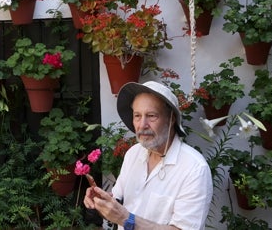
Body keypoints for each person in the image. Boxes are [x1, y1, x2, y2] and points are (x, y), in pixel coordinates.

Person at [84, 81, 212, 230]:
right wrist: (102, 203)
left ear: (171, 119)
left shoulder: (194, 168)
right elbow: (118, 205)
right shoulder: (133, 153)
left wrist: (126, 219)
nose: (142, 124)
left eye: (151, 116)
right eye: (137, 116)